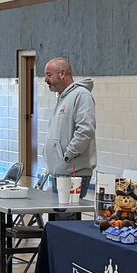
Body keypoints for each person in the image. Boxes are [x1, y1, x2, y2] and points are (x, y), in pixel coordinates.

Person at [39, 58, 96, 187]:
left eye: (49, 75)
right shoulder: (62, 97)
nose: (45, 79)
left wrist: (68, 155)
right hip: (59, 171)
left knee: (66, 202)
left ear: (62, 74)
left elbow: (85, 131)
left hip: (73, 173)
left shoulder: (82, 95)